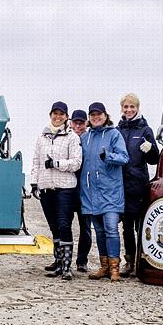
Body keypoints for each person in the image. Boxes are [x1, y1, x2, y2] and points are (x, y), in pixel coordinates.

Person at [30, 102, 83, 280]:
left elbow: (76, 162)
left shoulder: (72, 137)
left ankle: (67, 267)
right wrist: (34, 183)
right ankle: (59, 264)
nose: (58, 117)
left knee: (64, 225)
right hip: (47, 188)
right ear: (50, 114)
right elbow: (36, 162)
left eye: (62, 114)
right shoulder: (41, 137)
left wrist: (56, 164)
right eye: (55, 113)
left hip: (65, 188)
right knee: (54, 228)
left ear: (66, 117)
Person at [81, 102, 130, 282]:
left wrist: (108, 156)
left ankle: (115, 268)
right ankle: (105, 266)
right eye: (92, 115)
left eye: (99, 114)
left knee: (111, 229)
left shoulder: (114, 134)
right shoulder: (85, 137)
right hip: (90, 193)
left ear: (105, 115)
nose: (96, 117)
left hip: (110, 192)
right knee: (99, 232)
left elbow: (124, 158)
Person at [116, 93, 160, 277]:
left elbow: (155, 159)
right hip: (121, 184)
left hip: (139, 184)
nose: (129, 110)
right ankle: (129, 260)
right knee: (126, 226)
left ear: (137, 108)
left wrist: (150, 149)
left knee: (140, 226)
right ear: (122, 109)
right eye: (125, 107)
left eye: (132, 107)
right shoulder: (117, 130)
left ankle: (144, 260)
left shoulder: (145, 129)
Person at [67, 109, 94, 273]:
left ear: (87, 123)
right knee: (65, 226)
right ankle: (64, 260)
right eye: (75, 122)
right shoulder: (66, 138)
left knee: (85, 227)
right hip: (68, 190)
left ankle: (82, 261)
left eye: (81, 123)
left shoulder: (91, 140)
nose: (78, 126)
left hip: (86, 190)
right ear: (70, 122)